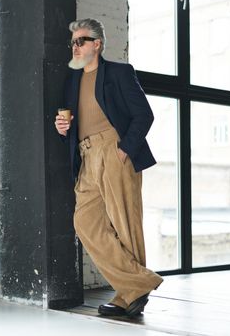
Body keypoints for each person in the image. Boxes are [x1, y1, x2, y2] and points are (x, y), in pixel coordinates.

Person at [54, 18, 163, 317]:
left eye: (81, 41)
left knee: (125, 224)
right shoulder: (72, 80)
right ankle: (139, 283)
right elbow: (73, 121)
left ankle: (129, 296)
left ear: (97, 44)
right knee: (85, 222)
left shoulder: (118, 73)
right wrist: (62, 127)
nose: (75, 47)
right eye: (73, 42)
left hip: (114, 150)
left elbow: (144, 115)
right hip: (86, 155)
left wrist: (124, 150)